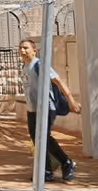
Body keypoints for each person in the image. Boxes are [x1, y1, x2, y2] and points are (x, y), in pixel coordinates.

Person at [19, 39, 78, 182]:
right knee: (38, 139)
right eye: (20, 48)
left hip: (46, 107)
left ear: (34, 50)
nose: (22, 51)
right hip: (32, 109)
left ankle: (48, 169)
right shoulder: (25, 67)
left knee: (41, 138)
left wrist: (71, 100)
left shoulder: (40, 65)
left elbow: (58, 81)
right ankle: (64, 162)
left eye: (26, 48)